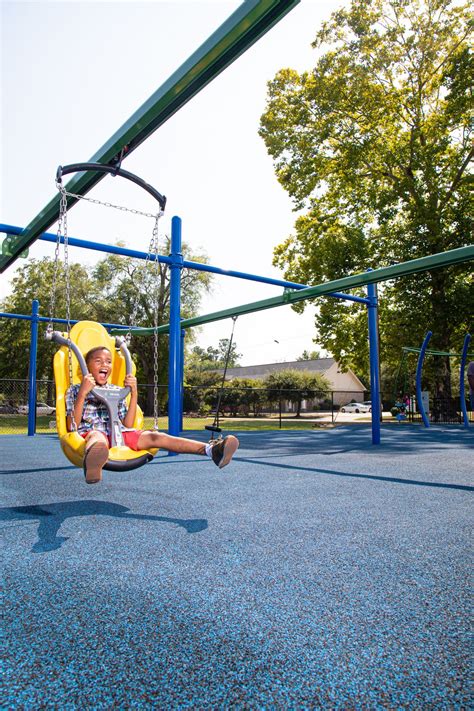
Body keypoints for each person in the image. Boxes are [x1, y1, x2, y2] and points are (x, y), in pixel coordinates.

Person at [66, 346, 239, 484]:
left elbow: (128, 424)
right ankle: (94, 463)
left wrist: (133, 393)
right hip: (91, 433)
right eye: (98, 361)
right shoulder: (74, 390)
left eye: (109, 361)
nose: (105, 365)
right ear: (86, 368)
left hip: (119, 433)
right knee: (98, 438)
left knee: (156, 436)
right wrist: (82, 393)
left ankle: (212, 451)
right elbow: (70, 425)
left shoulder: (116, 391)